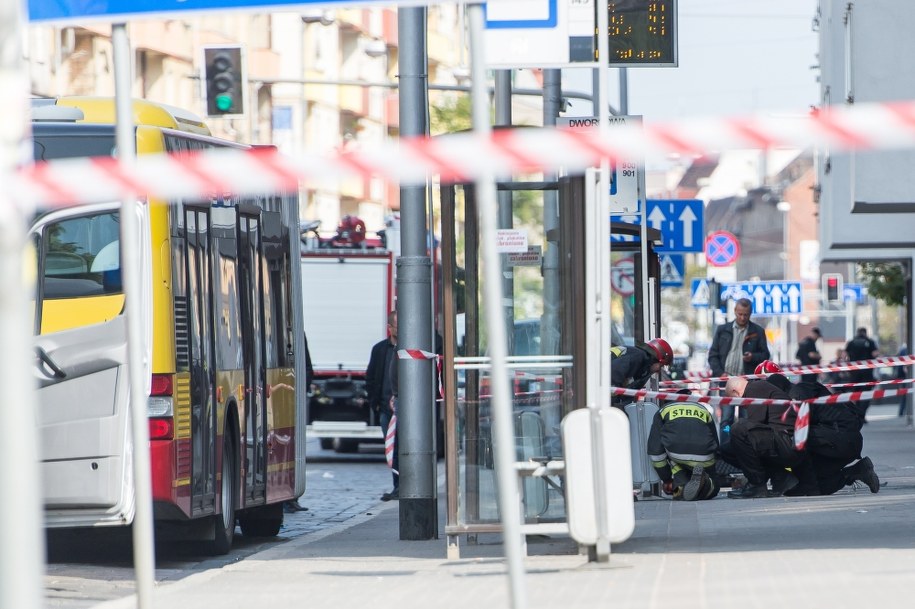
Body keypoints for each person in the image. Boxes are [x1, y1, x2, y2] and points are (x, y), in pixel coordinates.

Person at [723, 376, 815, 499]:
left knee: (739, 429)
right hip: (784, 441)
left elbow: (754, 424)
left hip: (788, 441)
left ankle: (757, 485)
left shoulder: (754, 389)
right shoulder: (757, 387)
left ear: (735, 392)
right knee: (725, 450)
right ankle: (780, 476)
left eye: (734, 400)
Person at [788, 381, 879, 495]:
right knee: (821, 486)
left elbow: (799, 427)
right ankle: (857, 470)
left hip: (840, 440)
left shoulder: (798, 393)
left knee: (796, 438)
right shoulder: (809, 389)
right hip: (843, 441)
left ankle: (807, 484)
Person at [707, 298, 771, 431]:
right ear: (735, 311)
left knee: (746, 420)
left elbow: (765, 355)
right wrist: (720, 374)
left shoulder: (757, 331)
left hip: (748, 383)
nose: (742, 317)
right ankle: (726, 449)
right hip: (726, 381)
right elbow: (713, 355)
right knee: (726, 420)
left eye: (746, 314)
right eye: (740, 314)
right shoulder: (722, 330)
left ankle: (744, 449)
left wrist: (753, 357)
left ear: (750, 313)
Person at [647, 396, 720, 501]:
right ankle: (707, 482)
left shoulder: (663, 410)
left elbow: (656, 451)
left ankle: (681, 487)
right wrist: (712, 469)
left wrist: (666, 478)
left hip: (677, 455)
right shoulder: (702, 408)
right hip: (705, 456)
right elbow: (714, 439)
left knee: (671, 453)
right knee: (715, 487)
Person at [366, 310, 399, 501]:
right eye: (397, 325)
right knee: (392, 449)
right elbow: (370, 378)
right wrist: (375, 404)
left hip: (403, 408)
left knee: (403, 447)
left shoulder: (406, 349)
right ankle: (396, 486)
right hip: (386, 410)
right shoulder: (380, 350)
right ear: (390, 328)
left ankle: (403, 485)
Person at [285, 333, 315, 514]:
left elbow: (306, 366)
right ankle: (288, 498)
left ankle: (292, 497)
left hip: (291, 397)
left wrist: (300, 391)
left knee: (292, 449)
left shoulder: (297, 333)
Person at [610, 338, 674, 400]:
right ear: (655, 359)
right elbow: (615, 373)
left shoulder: (642, 366)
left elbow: (631, 390)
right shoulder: (638, 356)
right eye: (661, 366)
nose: (659, 370)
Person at [844, 327, 879, 419]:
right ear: (865, 332)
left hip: (854, 373)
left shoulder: (851, 342)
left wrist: (848, 366)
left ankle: (856, 414)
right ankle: (862, 414)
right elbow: (875, 354)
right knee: (866, 394)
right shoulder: (870, 342)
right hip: (867, 373)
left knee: (855, 394)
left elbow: (844, 355)